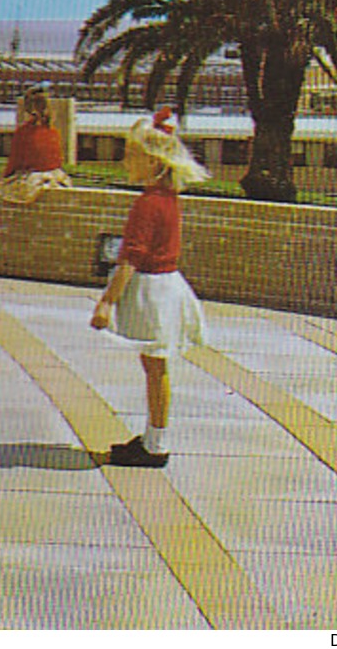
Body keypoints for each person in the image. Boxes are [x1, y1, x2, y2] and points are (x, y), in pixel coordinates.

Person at [89, 108, 209, 467]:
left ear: (153, 160)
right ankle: (154, 438)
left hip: (154, 291)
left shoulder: (149, 203)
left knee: (155, 365)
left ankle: (156, 445)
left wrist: (107, 302)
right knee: (154, 365)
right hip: (167, 286)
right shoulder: (167, 198)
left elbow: (131, 257)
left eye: (132, 155)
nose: (126, 161)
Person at [0, 87, 72, 203]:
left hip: (33, 180)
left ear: (27, 109)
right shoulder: (53, 132)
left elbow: (15, 162)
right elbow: (57, 161)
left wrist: (5, 178)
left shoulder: (24, 132)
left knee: (2, 191)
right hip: (56, 178)